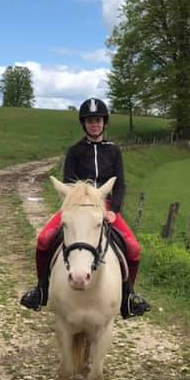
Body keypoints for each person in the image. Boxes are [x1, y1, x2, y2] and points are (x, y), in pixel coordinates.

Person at [20, 97, 151, 318]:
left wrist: (114, 210)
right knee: (44, 240)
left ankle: (128, 297)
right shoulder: (74, 151)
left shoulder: (114, 151)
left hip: (106, 206)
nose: (94, 124)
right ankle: (41, 290)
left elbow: (119, 184)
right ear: (84, 124)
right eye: (90, 120)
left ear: (104, 122)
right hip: (77, 205)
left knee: (134, 249)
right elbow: (69, 183)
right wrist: (76, 203)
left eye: (98, 120)